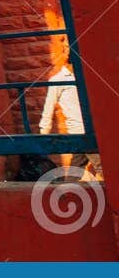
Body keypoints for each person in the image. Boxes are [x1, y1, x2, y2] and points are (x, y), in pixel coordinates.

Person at [38, 47, 101, 180]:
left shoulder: (82, 77)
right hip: (79, 131)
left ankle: (68, 190)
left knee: (75, 169)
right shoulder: (58, 80)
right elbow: (49, 106)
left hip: (89, 129)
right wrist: (44, 133)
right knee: (102, 165)